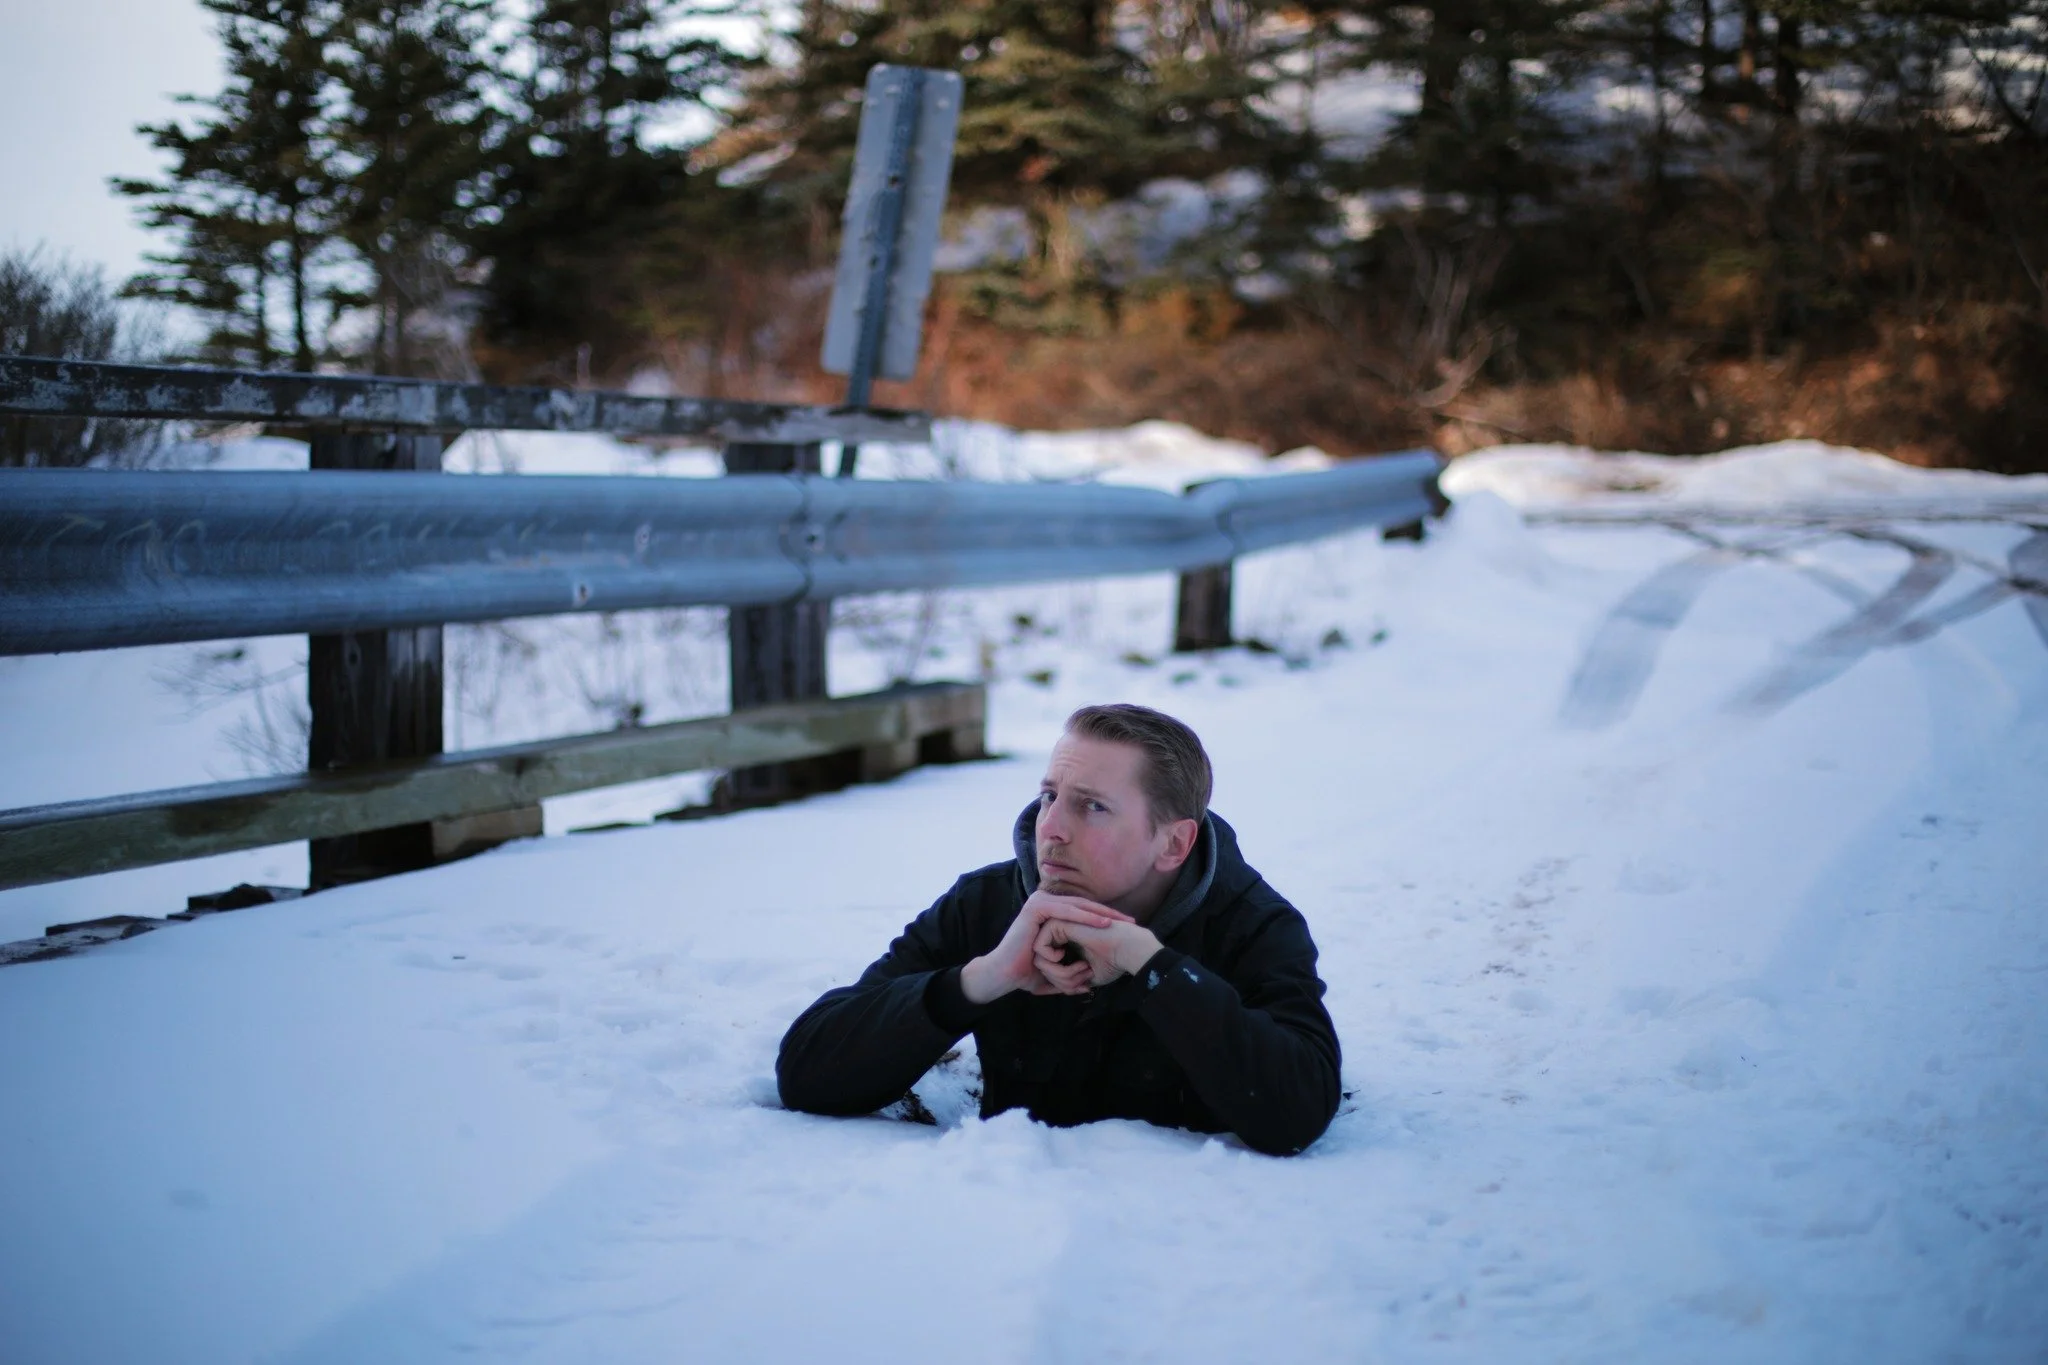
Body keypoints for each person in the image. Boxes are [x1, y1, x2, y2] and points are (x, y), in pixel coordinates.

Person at [776, 703, 1341, 1156]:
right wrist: (980, 979)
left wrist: (1154, 969)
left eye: (1091, 807)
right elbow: (807, 1072)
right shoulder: (987, 905)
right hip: (998, 1236)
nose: (1052, 829)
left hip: (1177, 1253)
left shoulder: (1253, 924)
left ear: (1173, 843)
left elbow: (1298, 1112)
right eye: (1050, 797)